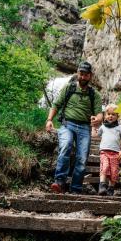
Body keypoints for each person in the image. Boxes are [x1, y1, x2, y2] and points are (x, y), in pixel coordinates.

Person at [46, 61, 103, 194]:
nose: (83, 77)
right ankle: (59, 182)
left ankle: (76, 188)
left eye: (86, 75)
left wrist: (98, 119)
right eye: (81, 74)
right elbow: (56, 104)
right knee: (65, 146)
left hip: (84, 127)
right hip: (67, 124)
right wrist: (49, 120)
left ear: (90, 76)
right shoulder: (69, 88)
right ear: (78, 73)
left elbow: (99, 113)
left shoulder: (94, 95)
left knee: (82, 157)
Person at [98, 104, 121, 196]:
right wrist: (93, 126)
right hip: (104, 151)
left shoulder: (120, 127)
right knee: (105, 166)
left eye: (113, 114)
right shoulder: (103, 127)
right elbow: (95, 135)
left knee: (114, 171)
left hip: (115, 153)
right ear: (105, 115)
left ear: (117, 116)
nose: (110, 116)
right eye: (108, 114)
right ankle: (102, 185)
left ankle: (111, 188)